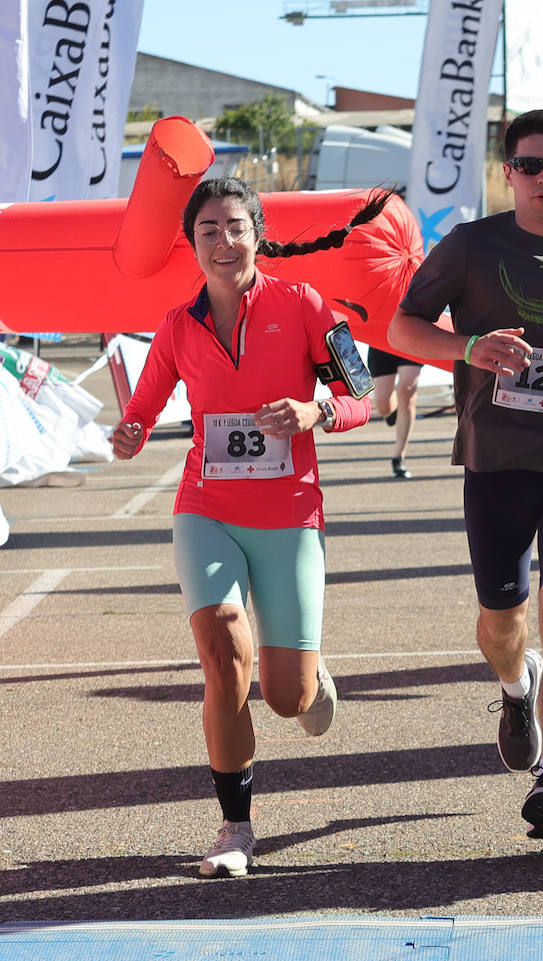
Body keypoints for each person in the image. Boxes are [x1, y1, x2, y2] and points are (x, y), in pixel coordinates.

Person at [111, 178, 384, 877]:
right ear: (192, 243)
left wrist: (314, 411)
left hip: (290, 511)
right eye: (208, 229)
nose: (223, 241)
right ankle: (235, 828)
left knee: (285, 697)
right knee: (222, 648)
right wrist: (131, 431)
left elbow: (365, 395)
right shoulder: (177, 324)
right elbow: (142, 406)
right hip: (206, 507)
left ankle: (313, 680)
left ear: (257, 233)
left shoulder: (302, 305)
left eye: (235, 226)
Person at [387, 109, 543, 840]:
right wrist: (469, 348)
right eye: (530, 166)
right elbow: (402, 328)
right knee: (505, 626)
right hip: (495, 465)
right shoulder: (471, 247)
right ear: (508, 174)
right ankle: (513, 685)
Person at [366, 344, 422, 477]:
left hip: (409, 336)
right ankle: (398, 412)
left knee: (407, 392)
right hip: (380, 341)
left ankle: (399, 458)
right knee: (383, 407)